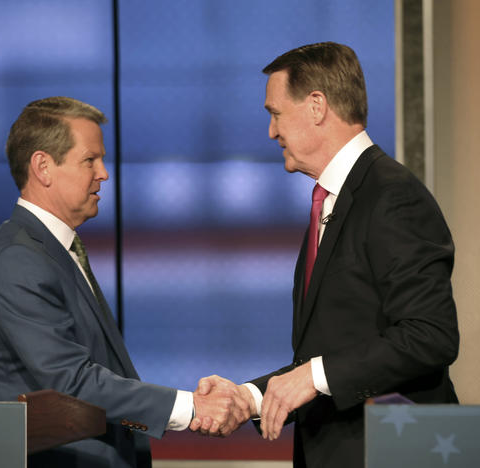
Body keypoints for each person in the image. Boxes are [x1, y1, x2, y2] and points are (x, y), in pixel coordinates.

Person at [195, 42, 460, 467]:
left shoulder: (392, 196)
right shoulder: (333, 200)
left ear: (317, 106)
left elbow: (430, 335)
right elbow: (331, 349)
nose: (271, 131)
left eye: (275, 113)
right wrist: (250, 397)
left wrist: (314, 378)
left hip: (392, 452)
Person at [0, 96, 249, 468]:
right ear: (43, 167)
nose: (104, 173)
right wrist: (191, 406)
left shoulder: (53, 249)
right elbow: (74, 383)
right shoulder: (16, 261)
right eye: (89, 160)